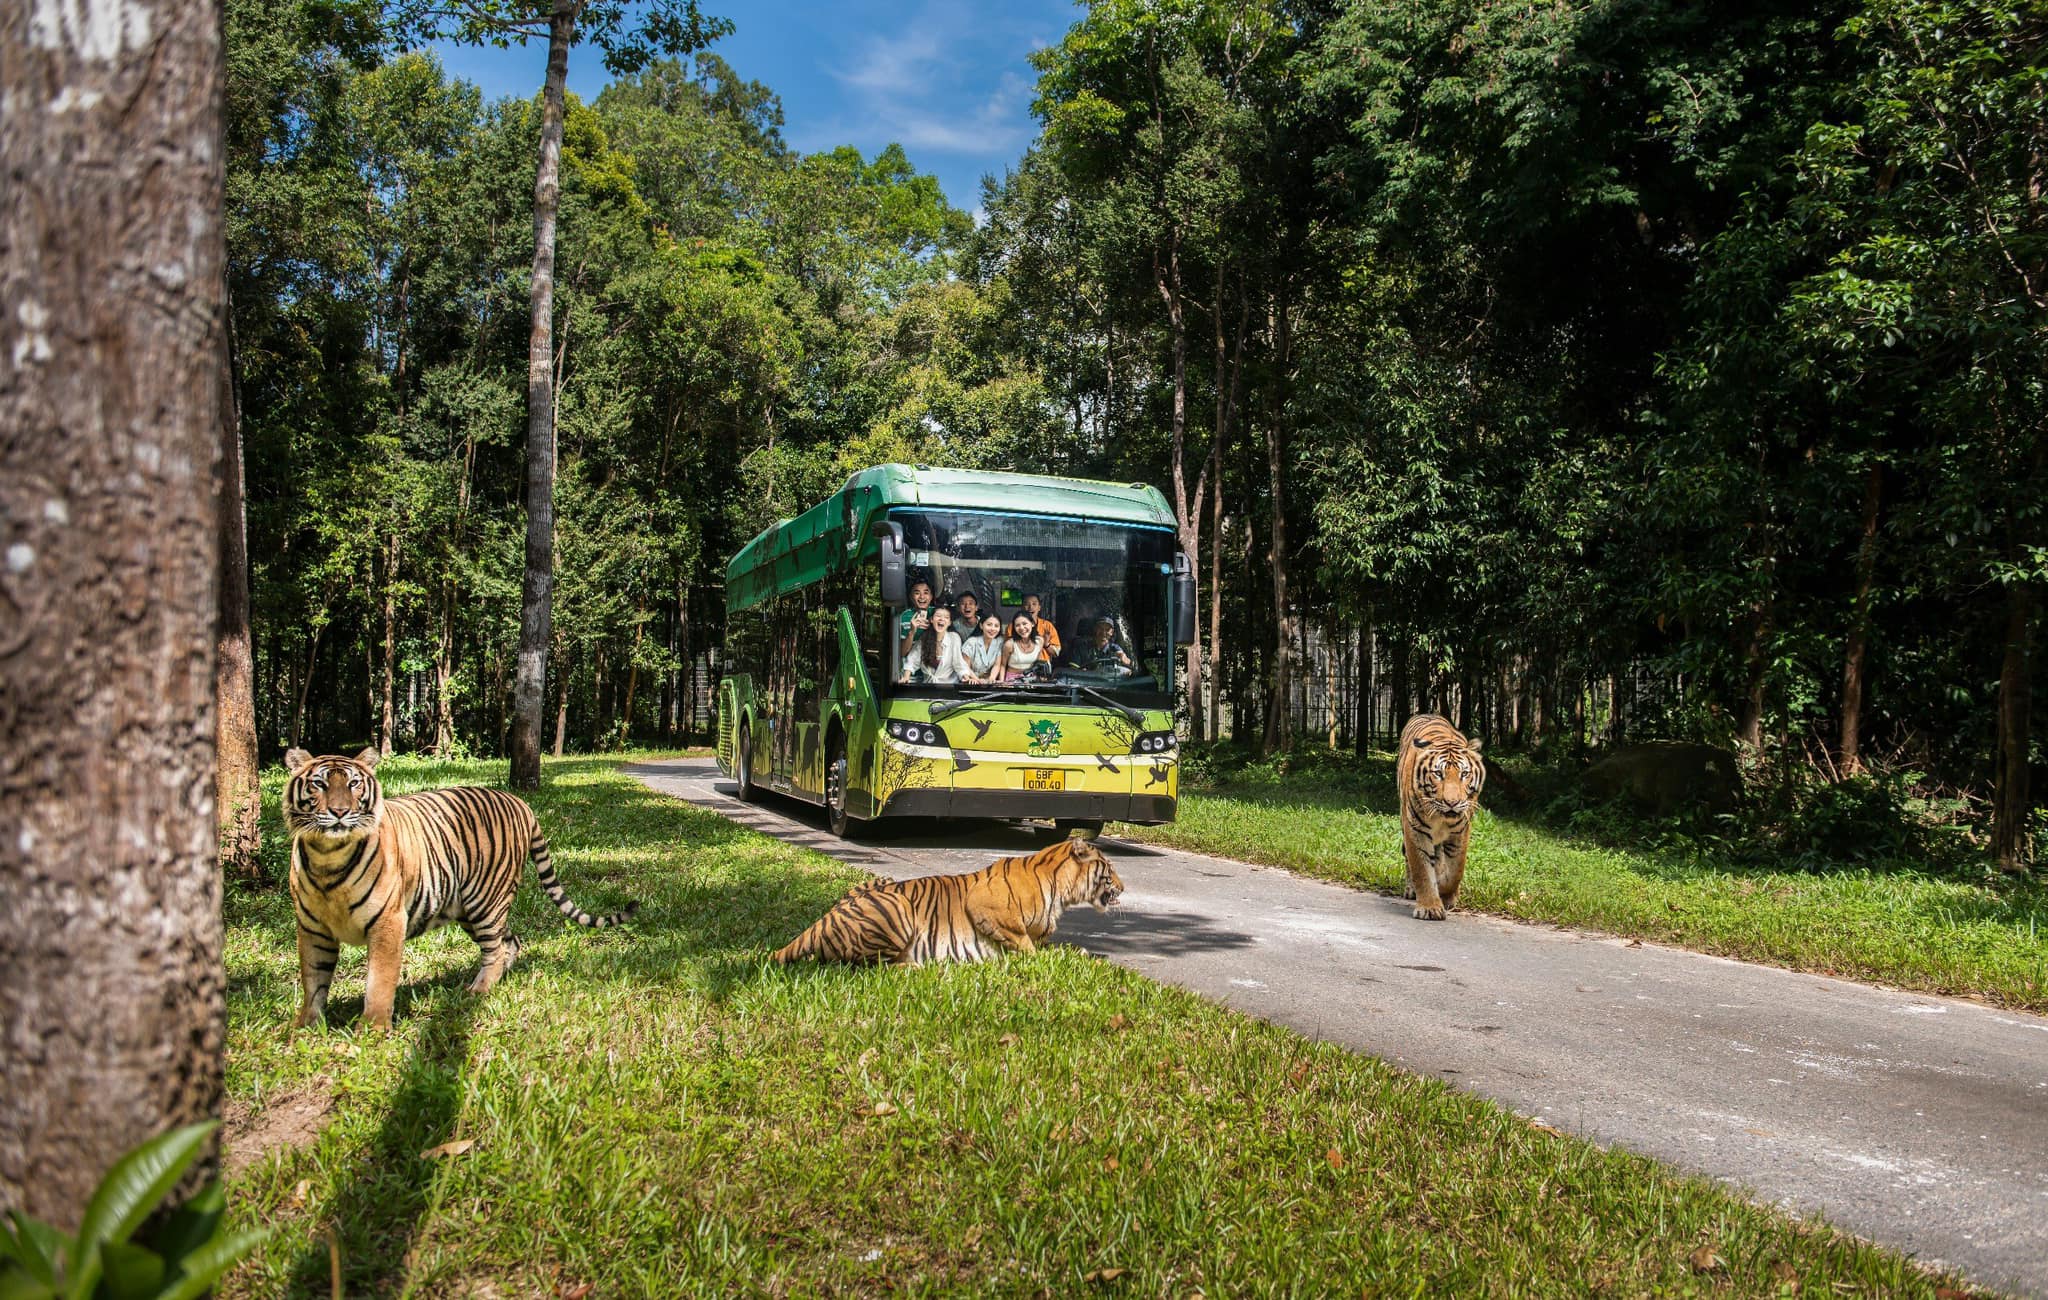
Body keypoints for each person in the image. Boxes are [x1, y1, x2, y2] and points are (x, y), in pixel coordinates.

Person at [899, 606, 967, 684]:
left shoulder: (954, 637)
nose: (941, 619)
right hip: (929, 688)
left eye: (946, 617)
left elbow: (959, 663)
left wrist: (966, 677)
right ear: (931, 620)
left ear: (949, 623)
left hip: (949, 688)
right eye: (938, 616)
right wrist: (906, 677)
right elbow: (912, 660)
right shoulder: (924, 638)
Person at [1001, 612, 1050, 683]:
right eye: (1017, 625)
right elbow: (1003, 665)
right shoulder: (1009, 644)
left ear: (1032, 624)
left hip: (1032, 679)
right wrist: (1002, 683)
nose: (1021, 628)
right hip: (1012, 679)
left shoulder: (1039, 641)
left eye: (1024, 624)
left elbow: (1037, 663)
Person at [961, 612, 1005, 684]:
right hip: (971, 681)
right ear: (981, 625)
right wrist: (976, 679)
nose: (993, 628)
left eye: (996, 626)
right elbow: (965, 666)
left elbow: (997, 665)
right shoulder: (971, 643)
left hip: (988, 682)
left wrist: (992, 678)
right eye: (989, 625)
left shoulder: (999, 642)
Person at [897, 579, 935, 660]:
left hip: (934, 670)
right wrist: (912, 632)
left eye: (926, 593)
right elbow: (902, 653)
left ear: (931, 597)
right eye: (917, 593)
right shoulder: (903, 616)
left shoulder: (937, 614)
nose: (922, 597)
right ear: (911, 597)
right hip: (910, 670)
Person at [1021, 592, 1062, 656]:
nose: (1030, 607)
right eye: (1026, 604)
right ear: (1022, 607)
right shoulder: (1013, 626)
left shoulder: (1047, 626)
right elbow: (1007, 651)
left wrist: (1046, 644)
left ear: (1039, 608)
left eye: (1034, 604)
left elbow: (1056, 653)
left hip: (1042, 663)